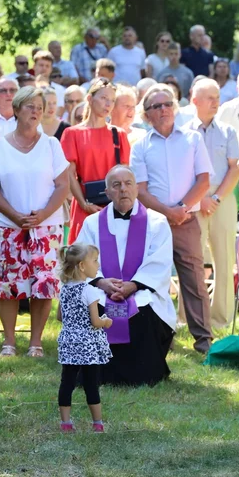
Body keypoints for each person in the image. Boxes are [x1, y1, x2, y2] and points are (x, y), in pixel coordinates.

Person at [0, 87, 71, 358]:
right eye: (30, 106)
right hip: (10, 227)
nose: (36, 112)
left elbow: (62, 186)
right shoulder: (0, 145)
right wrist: (15, 216)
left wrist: (42, 215)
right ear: (17, 109)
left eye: (40, 108)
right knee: (10, 284)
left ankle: (36, 342)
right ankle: (9, 341)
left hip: (46, 227)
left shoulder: (51, 145)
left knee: (43, 284)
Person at [75, 166, 176, 387]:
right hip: (102, 290)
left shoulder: (157, 222)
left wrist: (133, 285)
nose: (123, 190)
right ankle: (98, 375)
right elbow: (80, 262)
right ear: (107, 192)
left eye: (128, 183)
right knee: (96, 308)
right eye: (116, 185)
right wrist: (102, 282)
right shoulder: (92, 224)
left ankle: (145, 375)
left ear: (137, 188)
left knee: (142, 311)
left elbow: (159, 262)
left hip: (142, 291)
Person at [132, 84, 214, 354]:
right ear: (146, 115)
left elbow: (204, 180)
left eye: (167, 104)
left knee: (194, 281)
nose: (164, 109)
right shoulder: (140, 145)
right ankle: (154, 336)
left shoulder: (193, 138)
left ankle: (204, 341)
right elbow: (140, 191)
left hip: (187, 221)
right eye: (156, 106)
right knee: (152, 280)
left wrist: (181, 208)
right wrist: (168, 212)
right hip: (153, 224)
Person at [185, 78, 239, 330]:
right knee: (190, 261)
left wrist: (215, 198)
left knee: (224, 259)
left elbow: (235, 169)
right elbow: (181, 172)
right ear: (194, 101)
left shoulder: (229, 132)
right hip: (192, 200)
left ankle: (220, 320)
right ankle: (187, 318)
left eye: (217, 97)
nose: (215, 102)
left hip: (223, 199)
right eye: (209, 97)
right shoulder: (183, 133)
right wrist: (200, 198)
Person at [62, 78, 129, 243]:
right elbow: (69, 173)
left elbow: (126, 173)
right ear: (90, 99)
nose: (108, 104)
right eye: (104, 98)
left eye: (112, 100)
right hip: (85, 205)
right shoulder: (72, 133)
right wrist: (84, 204)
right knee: (84, 260)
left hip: (114, 207)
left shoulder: (118, 134)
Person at [56, 243, 112, 433]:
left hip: (68, 341)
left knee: (67, 382)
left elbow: (59, 316)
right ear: (82, 266)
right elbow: (95, 322)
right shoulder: (90, 291)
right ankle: (97, 423)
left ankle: (65, 423)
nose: (98, 265)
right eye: (95, 261)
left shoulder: (64, 289)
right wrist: (106, 322)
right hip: (87, 344)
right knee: (91, 383)